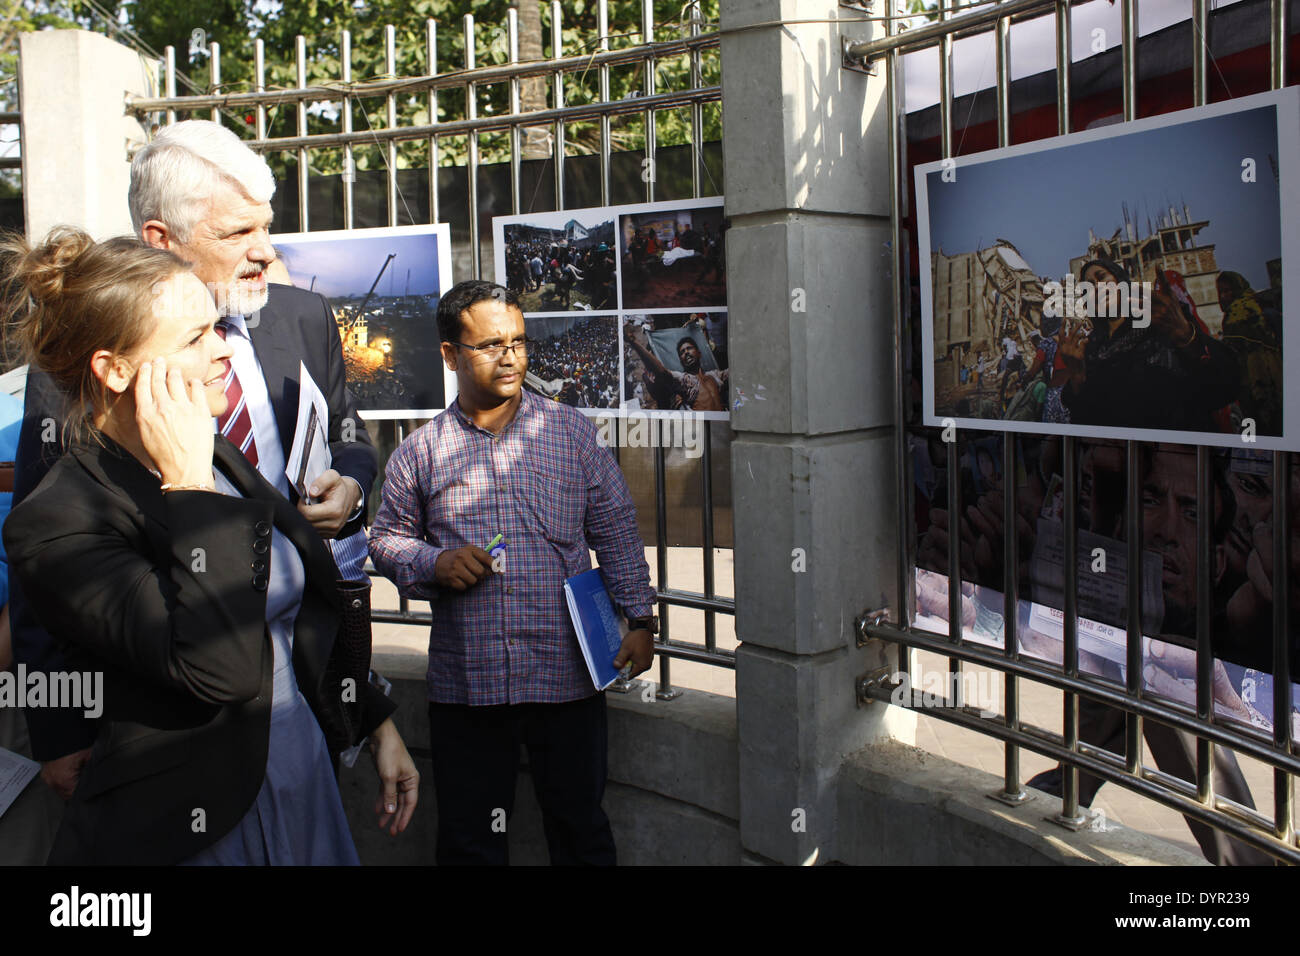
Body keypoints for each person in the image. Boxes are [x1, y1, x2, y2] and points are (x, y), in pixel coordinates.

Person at [1, 229, 418, 864]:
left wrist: (374, 719)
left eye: (216, 326)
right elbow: (216, 669)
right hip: (195, 819)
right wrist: (190, 488)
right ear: (114, 369)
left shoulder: (215, 449)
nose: (224, 349)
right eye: (195, 337)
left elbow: (301, 615)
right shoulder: (61, 519)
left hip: (299, 771)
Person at [9, 119, 380, 804]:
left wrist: (352, 483)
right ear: (162, 240)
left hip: (303, 685)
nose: (265, 253)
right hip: (170, 724)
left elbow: (347, 429)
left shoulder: (302, 317)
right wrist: (60, 727)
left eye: (265, 227)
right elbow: (44, 563)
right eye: (236, 233)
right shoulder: (72, 373)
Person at [369, 280, 656, 866]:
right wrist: (434, 562)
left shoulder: (571, 434)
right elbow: (385, 541)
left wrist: (641, 618)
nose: (510, 357)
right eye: (490, 344)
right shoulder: (420, 453)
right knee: (472, 843)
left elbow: (617, 530)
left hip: (567, 677)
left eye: (519, 342)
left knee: (580, 831)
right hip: (471, 685)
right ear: (450, 355)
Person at [1058, 259, 1238, 433]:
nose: (1096, 287)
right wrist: (1077, 378)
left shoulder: (1161, 322)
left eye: (1101, 277)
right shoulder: (1092, 349)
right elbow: (1087, 423)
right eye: (1088, 285)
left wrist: (1187, 338)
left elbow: (1224, 387)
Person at [1216, 270, 1282, 437]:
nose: (1224, 296)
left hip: (1274, 384)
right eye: (1221, 292)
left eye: (1228, 290)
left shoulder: (1266, 314)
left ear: (1238, 288)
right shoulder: (1228, 320)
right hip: (1247, 390)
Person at [624, 321, 727, 412]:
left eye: (689, 348)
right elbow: (663, 372)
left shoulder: (716, 375)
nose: (686, 352)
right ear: (681, 361)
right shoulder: (686, 381)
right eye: (682, 352)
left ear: (699, 353)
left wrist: (701, 328)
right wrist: (633, 342)